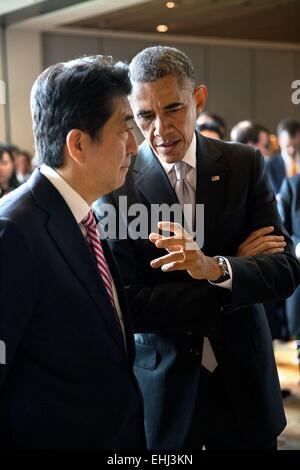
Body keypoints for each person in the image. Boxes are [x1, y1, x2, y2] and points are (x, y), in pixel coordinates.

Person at [96, 46, 300, 450]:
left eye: (173, 109)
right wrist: (233, 272)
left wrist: (214, 266)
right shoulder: (118, 184)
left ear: (199, 99)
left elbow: (285, 273)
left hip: (245, 385)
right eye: (145, 116)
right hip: (166, 392)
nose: (161, 129)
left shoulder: (244, 165)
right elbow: (129, 305)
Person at [0, 55, 145, 449]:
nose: (135, 145)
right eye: (124, 127)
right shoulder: (13, 230)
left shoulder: (83, 215)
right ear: (78, 144)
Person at [266, 118, 300, 195]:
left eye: (295, 145)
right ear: (279, 141)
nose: (292, 150)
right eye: (288, 146)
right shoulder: (268, 165)